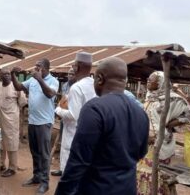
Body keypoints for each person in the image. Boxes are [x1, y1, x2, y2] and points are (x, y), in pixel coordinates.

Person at [55, 57, 149, 195]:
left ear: (99, 79)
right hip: (127, 188)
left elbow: (78, 161)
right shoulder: (141, 113)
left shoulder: (94, 109)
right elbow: (141, 152)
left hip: (97, 188)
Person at [137, 71, 190, 195]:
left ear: (160, 82)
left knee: (157, 173)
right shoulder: (149, 97)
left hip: (160, 144)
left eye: (151, 79)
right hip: (145, 142)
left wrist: (168, 125)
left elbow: (189, 116)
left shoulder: (172, 99)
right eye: (148, 78)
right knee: (143, 172)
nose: (148, 81)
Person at [11, 58, 59, 195]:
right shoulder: (32, 80)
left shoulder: (53, 81)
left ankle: (45, 183)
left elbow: (50, 94)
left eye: (39, 66)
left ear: (46, 68)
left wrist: (39, 79)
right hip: (32, 121)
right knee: (35, 152)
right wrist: (13, 74)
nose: (36, 68)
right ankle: (37, 177)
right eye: (36, 65)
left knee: (44, 155)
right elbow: (18, 87)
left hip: (44, 122)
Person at [53, 52, 96, 177]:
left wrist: (58, 110)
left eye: (74, 65)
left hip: (73, 134)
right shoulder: (94, 84)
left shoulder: (77, 87)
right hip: (88, 134)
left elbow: (73, 115)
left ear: (77, 67)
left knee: (70, 174)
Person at [0, 68, 27, 177]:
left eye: (8, 74)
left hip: (11, 120)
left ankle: (12, 167)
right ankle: (2, 164)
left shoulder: (16, 87)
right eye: (4, 74)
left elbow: (22, 102)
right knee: (1, 142)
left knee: (11, 143)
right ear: (0, 76)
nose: (7, 76)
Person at [51, 68, 76, 176]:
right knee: (63, 143)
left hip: (73, 119)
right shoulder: (65, 85)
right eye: (69, 73)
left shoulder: (77, 88)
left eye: (72, 74)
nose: (70, 75)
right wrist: (60, 110)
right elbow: (62, 99)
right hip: (64, 116)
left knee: (71, 145)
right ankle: (62, 168)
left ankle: (69, 169)